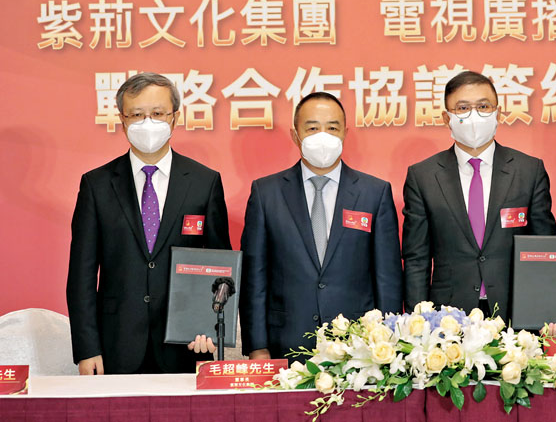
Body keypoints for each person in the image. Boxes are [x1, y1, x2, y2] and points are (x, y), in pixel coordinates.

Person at [66, 72, 231, 374]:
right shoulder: (97, 185)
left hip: (186, 344)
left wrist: (209, 327)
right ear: (123, 120)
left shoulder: (204, 182)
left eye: (157, 113)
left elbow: (220, 267)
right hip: (116, 344)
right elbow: (81, 276)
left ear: (175, 117)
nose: (148, 123)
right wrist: (87, 349)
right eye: (137, 114)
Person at [239, 92, 402, 361]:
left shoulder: (374, 193)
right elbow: (255, 277)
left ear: (345, 133)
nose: (323, 136)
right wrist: (258, 346)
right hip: (285, 344)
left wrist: (388, 341)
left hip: (359, 347)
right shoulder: (266, 193)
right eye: (313, 128)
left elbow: (388, 278)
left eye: (332, 128)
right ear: (295, 135)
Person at [401, 70, 556, 323]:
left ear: (498, 113)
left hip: (516, 313)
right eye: (463, 108)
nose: (474, 116)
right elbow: (416, 259)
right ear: (447, 118)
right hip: (447, 318)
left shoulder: (529, 171)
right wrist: (416, 321)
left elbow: (544, 249)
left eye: (483, 107)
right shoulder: (423, 176)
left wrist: (548, 310)